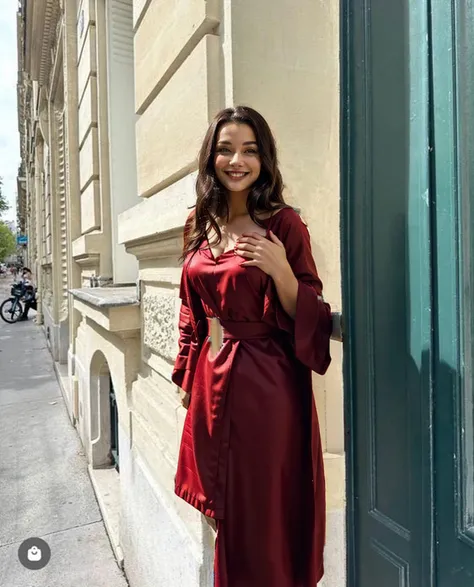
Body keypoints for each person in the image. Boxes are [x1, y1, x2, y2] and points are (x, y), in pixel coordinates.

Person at [172, 106, 332, 587]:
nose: (236, 160)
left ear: (264, 160)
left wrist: (280, 269)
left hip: (267, 389)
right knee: (222, 512)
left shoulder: (283, 225)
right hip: (209, 384)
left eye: (250, 150)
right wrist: (185, 376)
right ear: (210, 157)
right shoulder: (199, 224)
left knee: (262, 515)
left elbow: (314, 313)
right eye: (225, 149)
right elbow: (190, 312)